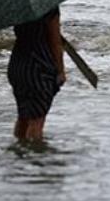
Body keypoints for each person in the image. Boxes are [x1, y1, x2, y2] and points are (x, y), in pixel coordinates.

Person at [7, 7, 66, 140]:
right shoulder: (50, 8)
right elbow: (55, 43)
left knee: (23, 116)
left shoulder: (17, 6)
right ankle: (34, 156)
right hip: (39, 67)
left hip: (18, 64)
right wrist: (61, 70)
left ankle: (20, 152)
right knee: (37, 120)